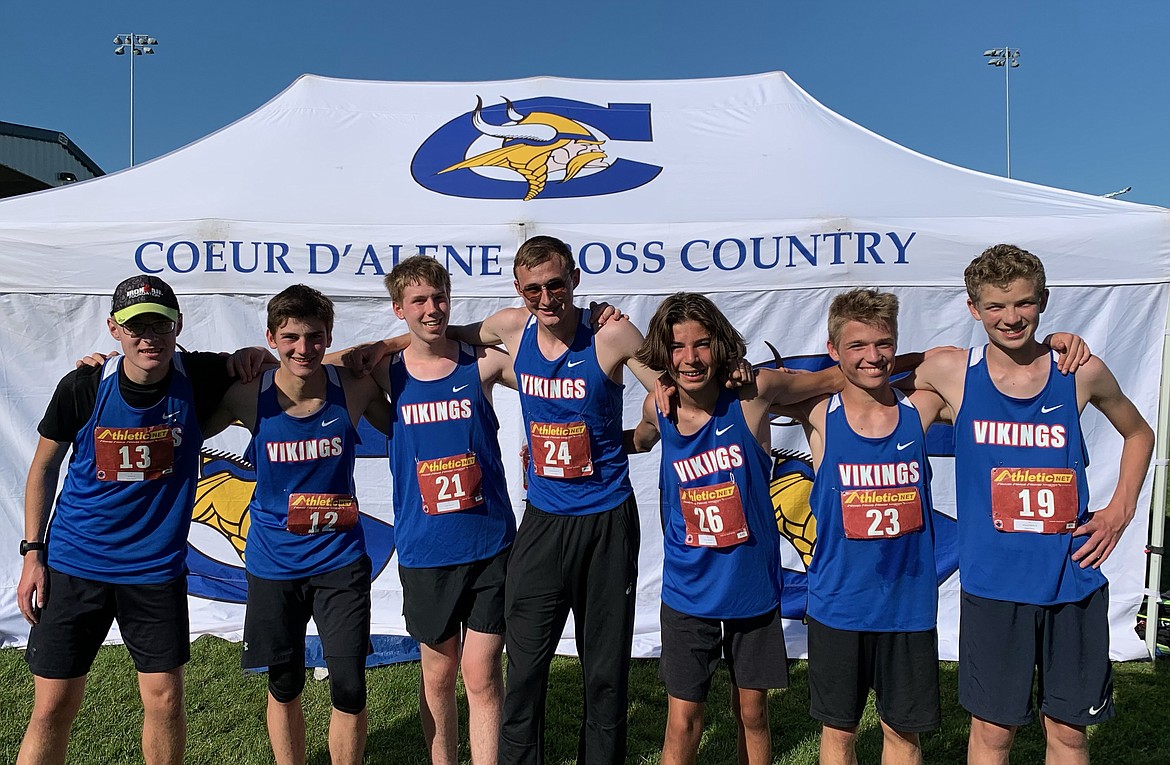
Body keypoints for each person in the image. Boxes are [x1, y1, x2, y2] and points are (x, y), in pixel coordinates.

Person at [906, 244, 1154, 765]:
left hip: (1071, 580)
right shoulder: (952, 370)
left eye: (1023, 304)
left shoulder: (1077, 371)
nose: (1010, 318)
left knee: (1068, 734)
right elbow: (868, 382)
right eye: (995, 306)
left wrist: (1119, 511)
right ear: (974, 308)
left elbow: (1139, 434)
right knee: (993, 734)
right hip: (994, 585)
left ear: (1043, 301)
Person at [15, 275, 256, 765]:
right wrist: (32, 554)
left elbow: (302, 370)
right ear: (114, 330)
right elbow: (42, 468)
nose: (150, 337)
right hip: (76, 563)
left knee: (165, 700)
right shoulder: (84, 384)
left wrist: (261, 352)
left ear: (178, 326)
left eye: (160, 325)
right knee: (53, 706)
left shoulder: (204, 378)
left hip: (154, 571)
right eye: (136, 327)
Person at [629, 292, 842, 765]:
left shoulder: (752, 393)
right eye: (677, 347)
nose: (690, 358)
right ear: (663, 354)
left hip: (751, 588)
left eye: (702, 345)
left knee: (752, 713)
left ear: (721, 346)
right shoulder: (657, 406)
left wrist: (900, 362)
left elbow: (831, 377)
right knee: (683, 718)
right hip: (688, 591)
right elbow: (639, 441)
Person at [207, 284, 390, 765]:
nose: (302, 348)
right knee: (284, 683)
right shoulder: (248, 395)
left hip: (341, 560)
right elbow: (176, 414)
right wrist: (105, 368)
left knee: (350, 686)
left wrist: (386, 347)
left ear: (329, 338)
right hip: (274, 562)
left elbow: (412, 427)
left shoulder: (353, 387)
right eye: (290, 337)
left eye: (314, 337)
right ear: (271, 337)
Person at [786, 289, 949, 765]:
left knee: (903, 734)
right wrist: (832, 376)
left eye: (884, 344)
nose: (873, 357)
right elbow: (761, 384)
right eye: (857, 346)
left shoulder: (919, 409)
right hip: (840, 604)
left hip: (908, 605)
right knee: (839, 734)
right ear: (833, 349)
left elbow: (951, 359)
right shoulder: (819, 413)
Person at [374, 256, 517, 765]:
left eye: (439, 298)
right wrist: (389, 343)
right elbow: (320, 365)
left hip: (489, 542)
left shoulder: (481, 362)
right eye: (418, 301)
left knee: (481, 673)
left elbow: (546, 363)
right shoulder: (386, 372)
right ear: (398, 308)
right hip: (426, 547)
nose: (431, 308)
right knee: (437, 673)